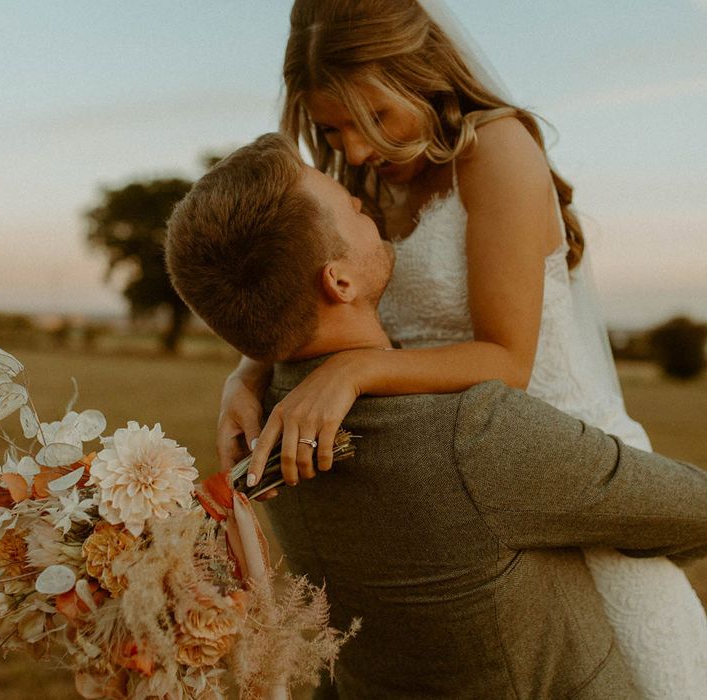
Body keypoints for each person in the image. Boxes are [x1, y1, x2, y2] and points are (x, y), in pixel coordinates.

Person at [215, 2, 707, 697]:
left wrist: (358, 369)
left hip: (555, 462)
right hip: (454, 487)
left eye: (375, 119)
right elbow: (319, 286)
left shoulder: (498, 149)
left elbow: (508, 361)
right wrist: (247, 370)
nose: (354, 150)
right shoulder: (364, 178)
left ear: (422, 77)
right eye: (332, 129)